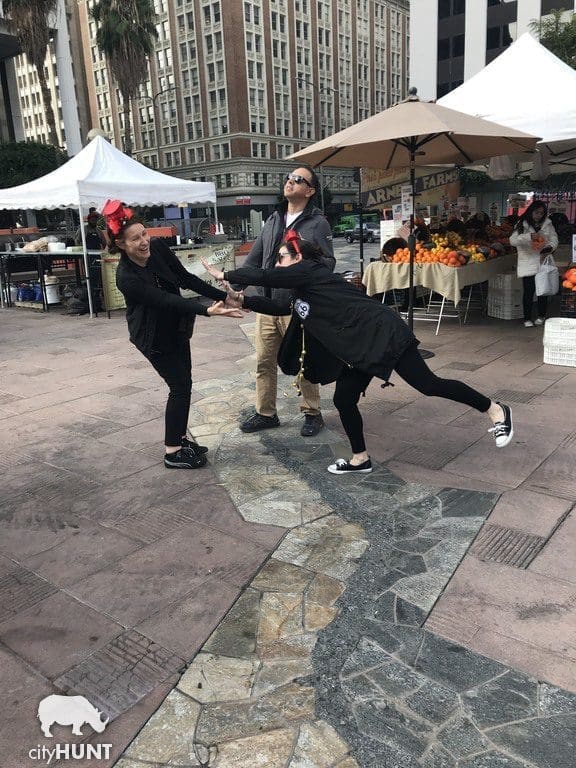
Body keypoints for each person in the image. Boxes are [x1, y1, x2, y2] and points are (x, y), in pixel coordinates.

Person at [203, 231, 514, 475]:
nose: (277, 263)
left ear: (298, 257)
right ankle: (359, 458)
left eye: (282, 257)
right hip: (359, 347)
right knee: (343, 400)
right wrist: (242, 301)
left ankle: (495, 410)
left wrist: (227, 274)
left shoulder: (310, 271)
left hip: (382, 333)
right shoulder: (305, 291)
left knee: (428, 385)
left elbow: (269, 277)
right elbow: (282, 306)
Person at [108, 199, 242, 470]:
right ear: (121, 244)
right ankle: (172, 451)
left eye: (144, 233)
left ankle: (180, 438)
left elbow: (185, 279)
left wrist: (225, 297)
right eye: (135, 239)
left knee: (186, 383)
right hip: (153, 336)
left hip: (177, 328)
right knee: (178, 386)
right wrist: (207, 311)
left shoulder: (157, 248)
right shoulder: (126, 276)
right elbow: (164, 300)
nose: (144, 241)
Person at [237, 164, 335, 437]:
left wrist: (304, 258)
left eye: (298, 179)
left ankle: (312, 413)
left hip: (296, 305)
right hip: (267, 304)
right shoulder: (273, 219)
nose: (290, 182)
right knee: (264, 361)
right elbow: (255, 258)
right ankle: (265, 413)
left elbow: (329, 262)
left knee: (304, 360)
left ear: (310, 190)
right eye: (289, 178)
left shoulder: (318, 222)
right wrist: (235, 286)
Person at [509, 200, 558, 327]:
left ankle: (541, 316)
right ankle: (527, 318)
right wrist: (528, 237)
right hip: (528, 262)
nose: (539, 215)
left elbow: (554, 239)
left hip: (542, 262)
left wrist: (549, 248)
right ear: (531, 211)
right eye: (536, 212)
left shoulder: (548, 224)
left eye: (542, 213)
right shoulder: (522, 224)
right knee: (528, 292)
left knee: (543, 291)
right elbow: (512, 241)